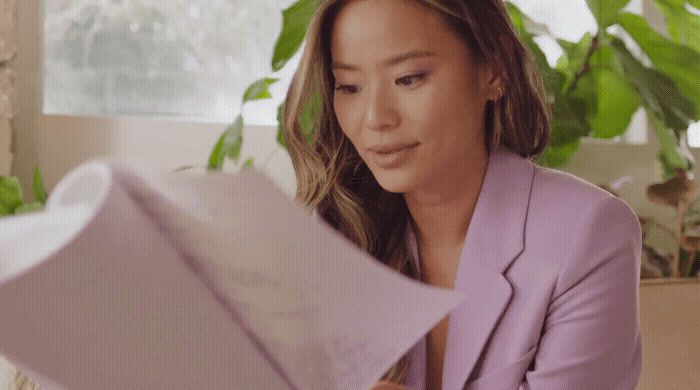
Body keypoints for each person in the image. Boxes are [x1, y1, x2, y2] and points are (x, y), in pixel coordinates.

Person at [281, 0, 643, 389]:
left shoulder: (586, 233)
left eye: (409, 78)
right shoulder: (338, 232)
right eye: (349, 87)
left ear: (495, 67)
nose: (375, 118)